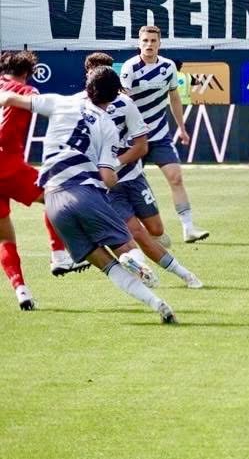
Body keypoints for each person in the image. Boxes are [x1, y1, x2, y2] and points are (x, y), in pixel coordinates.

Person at [0, 67, 177, 323]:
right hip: (84, 191)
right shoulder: (107, 125)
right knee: (125, 246)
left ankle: (156, 303)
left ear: (87, 86)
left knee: (106, 265)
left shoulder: (60, 101)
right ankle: (136, 265)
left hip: (54, 202)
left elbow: (9, 98)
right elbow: (107, 176)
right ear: (114, 97)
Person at [84, 52, 202, 288]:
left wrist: (115, 163)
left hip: (134, 176)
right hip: (109, 186)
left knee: (156, 231)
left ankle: (142, 259)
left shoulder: (125, 104)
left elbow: (142, 146)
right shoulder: (79, 105)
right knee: (136, 232)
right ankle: (181, 274)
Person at [122, 26, 208, 243]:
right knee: (131, 186)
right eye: (145, 40)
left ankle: (188, 228)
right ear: (139, 43)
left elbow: (174, 98)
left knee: (176, 177)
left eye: (153, 41)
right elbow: (123, 102)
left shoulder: (168, 67)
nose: (149, 44)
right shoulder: (130, 68)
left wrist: (182, 128)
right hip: (134, 138)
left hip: (160, 135)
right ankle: (144, 231)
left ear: (159, 43)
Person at [0, 51, 78, 279]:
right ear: (27, 72)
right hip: (7, 164)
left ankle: (21, 290)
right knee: (55, 195)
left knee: (4, 235)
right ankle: (59, 255)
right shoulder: (26, 91)